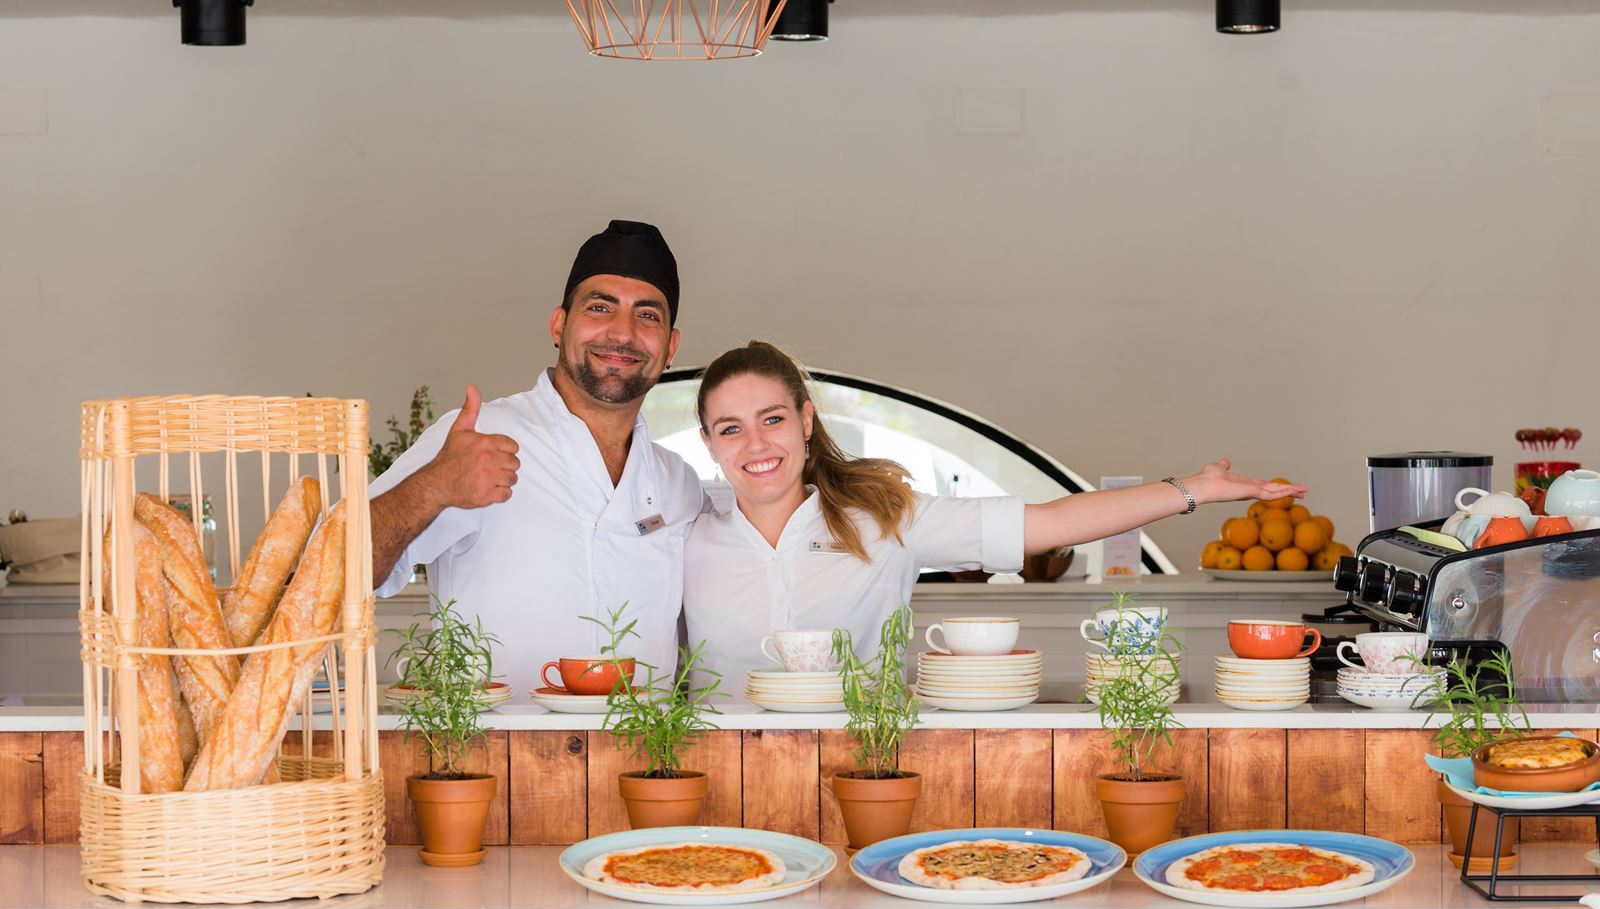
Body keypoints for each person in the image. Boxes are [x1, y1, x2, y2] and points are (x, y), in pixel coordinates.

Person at [683, 340, 1305, 685]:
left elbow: (1053, 523)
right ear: (709, 444)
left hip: (865, 766)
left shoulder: (884, 517)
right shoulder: (684, 533)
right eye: (731, 429)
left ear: (806, 421)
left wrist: (1192, 488)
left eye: (772, 420)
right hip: (722, 773)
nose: (757, 446)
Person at [369, 221, 704, 695]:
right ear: (558, 325)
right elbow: (333, 575)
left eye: (647, 316)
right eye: (599, 307)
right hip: (493, 759)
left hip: (643, 761)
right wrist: (433, 487)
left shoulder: (680, 483)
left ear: (670, 347)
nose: (622, 333)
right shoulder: (477, 435)